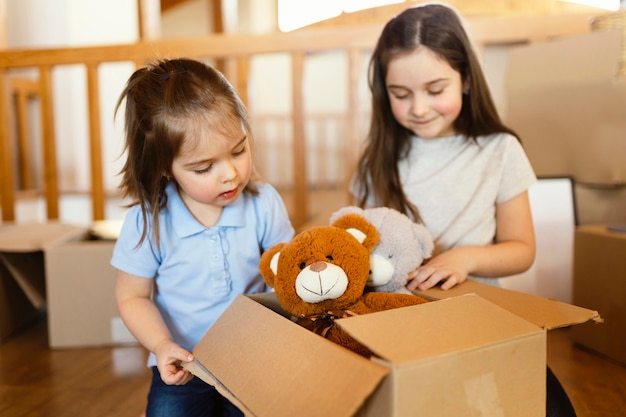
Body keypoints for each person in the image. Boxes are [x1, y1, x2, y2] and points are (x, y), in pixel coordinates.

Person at [349, 4, 576, 416]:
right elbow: (356, 243)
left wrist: (465, 258)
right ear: (385, 92)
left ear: (466, 79)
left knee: (549, 406)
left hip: (479, 316)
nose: (419, 108)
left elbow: (522, 247)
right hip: (399, 320)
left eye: (435, 90)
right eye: (401, 95)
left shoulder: (500, 151)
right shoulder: (378, 158)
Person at [111, 58, 294, 417]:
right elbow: (132, 296)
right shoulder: (149, 221)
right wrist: (161, 345)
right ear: (165, 167)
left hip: (252, 357)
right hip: (183, 364)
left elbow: (285, 270)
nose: (230, 174)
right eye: (204, 168)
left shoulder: (263, 203)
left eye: (239, 150)